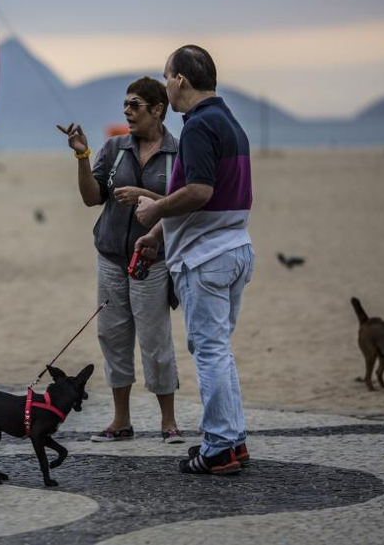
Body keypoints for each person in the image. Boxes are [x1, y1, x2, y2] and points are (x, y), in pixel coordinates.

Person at [135, 45, 254, 474]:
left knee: (209, 352)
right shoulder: (229, 120)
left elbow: (200, 192)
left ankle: (220, 447)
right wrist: (157, 235)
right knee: (220, 350)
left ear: (180, 81)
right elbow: (212, 199)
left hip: (208, 260)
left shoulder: (199, 127)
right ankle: (234, 440)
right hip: (234, 248)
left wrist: (154, 209)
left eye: (167, 76)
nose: (166, 83)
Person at [57, 76, 183, 444]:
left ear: (158, 109)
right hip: (111, 258)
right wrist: (81, 154)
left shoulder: (179, 153)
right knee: (112, 337)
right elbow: (91, 197)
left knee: (156, 341)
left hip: (153, 260)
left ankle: (168, 422)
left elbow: (182, 202)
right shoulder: (114, 149)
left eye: (135, 105)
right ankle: (121, 421)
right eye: (125, 105)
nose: (127, 112)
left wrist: (144, 193)